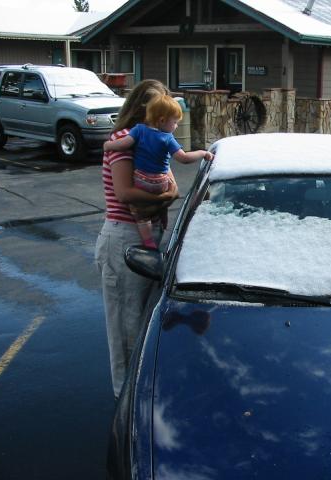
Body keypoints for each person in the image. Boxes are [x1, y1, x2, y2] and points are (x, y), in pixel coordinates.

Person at [94, 80, 181, 399]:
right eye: (156, 109)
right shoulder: (123, 141)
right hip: (124, 237)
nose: (162, 117)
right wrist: (165, 197)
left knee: (144, 323)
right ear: (141, 109)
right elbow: (126, 194)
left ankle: (140, 394)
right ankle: (126, 404)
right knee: (126, 330)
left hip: (148, 233)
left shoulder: (155, 140)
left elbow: (172, 187)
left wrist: (165, 196)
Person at [103, 94, 214, 248]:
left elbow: (123, 144)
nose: (176, 126)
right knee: (160, 198)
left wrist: (108, 146)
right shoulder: (168, 138)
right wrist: (203, 153)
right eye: (175, 122)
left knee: (141, 215)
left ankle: (148, 241)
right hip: (160, 183)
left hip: (141, 180)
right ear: (162, 120)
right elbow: (184, 158)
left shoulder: (139, 130)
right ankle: (160, 220)